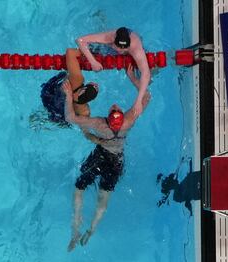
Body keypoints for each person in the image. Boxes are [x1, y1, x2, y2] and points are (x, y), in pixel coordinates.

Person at [64, 65, 151, 251]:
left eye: (114, 109)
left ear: (109, 119)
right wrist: (133, 78)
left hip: (100, 155)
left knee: (79, 188)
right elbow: (146, 96)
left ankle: (76, 230)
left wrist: (67, 96)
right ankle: (92, 229)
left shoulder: (100, 124)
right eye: (116, 108)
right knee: (103, 199)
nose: (115, 106)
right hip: (116, 162)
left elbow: (69, 117)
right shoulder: (128, 121)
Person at [76, 27, 151, 117]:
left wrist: (138, 101)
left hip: (133, 49)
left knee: (149, 80)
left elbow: (146, 73)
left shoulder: (135, 47)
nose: (121, 51)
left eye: (124, 49)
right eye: (118, 47)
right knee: (89, 51)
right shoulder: (108, 37)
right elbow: (80, 40)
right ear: (113, 40)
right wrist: (93, 61)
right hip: (110, 47)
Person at [40, 48, 99, 127]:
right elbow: (85, 129)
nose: (96, 84)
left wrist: (88, 53)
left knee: (63, 74)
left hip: (49, 96)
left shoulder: (76, 81)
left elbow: (70, 52)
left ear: (83, 89)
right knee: (54, 120)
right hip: (61, 115)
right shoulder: (84, 111)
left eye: (94, 85)